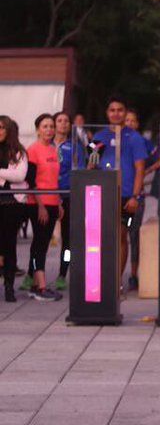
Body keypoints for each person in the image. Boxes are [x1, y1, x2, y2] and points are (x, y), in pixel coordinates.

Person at [92, 97, 148, 291]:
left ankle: (116, 281)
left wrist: (135, 196)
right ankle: (100, 277)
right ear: (107, 113)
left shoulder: (134, 137)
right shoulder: (99, 136)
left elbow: (140, 169)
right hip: (102, 194)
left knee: (121, 236)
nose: (116, 113)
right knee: (102, 237)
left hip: (126, 196)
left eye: (120, 110)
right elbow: (90, 165)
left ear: (125, 113)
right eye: (112, 110)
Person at [23, 114, 62, 301]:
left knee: (43, 245)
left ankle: (34, 284)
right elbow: (30, 181)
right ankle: (42, 287)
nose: (49, 130)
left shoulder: (54, 151)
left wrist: (59, 202)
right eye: (45, 126)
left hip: (53, 202)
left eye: (51, 126)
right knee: (39, 244)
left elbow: (55, 180)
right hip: (39, 204)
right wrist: (40, 206)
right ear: (38, 129)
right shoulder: (33, 151)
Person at [121, 108, 155, 292]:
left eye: (133, 121)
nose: (129, 124)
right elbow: (91, 153)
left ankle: (134, 274)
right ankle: (116, 276)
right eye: (127, 121)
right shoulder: (112, 139)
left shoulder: (141, 141)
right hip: (117, 196)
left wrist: (148, 171)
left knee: (134, 236)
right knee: (119, 237)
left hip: (136, 198)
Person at [0, 116, 29, 303]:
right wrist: (5, 176)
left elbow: (19, 175)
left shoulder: (18, 151)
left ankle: (9, 287)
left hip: (12, 204)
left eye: (2, 128)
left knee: (9, 246)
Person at [53, 111, 71, 291]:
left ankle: (62, 273)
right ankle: (32, 271)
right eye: (59, 121)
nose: (63, 124)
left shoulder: (74, 147)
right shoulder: (45, 145)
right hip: (47, 196)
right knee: (41, 239)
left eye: (66, 121)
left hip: (68, 196)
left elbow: (79, 170)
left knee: (68, 240)